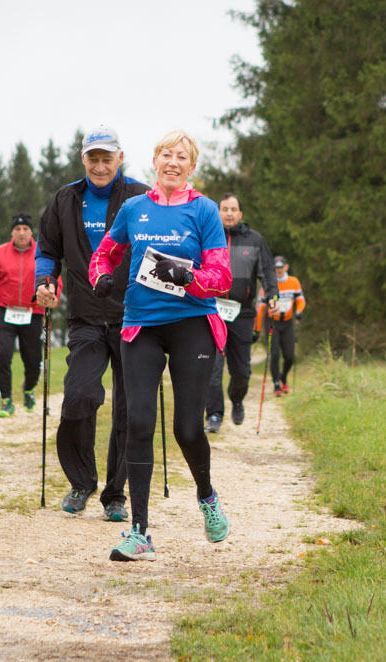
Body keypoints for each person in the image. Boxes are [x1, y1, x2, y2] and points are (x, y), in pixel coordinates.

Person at [89, 129, 233, 561]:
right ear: (155, 161)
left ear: (192, 166)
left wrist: (189, 278)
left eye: (182, 156)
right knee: (137, 422)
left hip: (192, 322)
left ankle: (206, 497)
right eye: (166, 154)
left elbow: (221, 278)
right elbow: (105, 253)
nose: (173, 162)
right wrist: (101, 276)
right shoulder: (134, 209)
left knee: (187, 428)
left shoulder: (205, 211)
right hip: (142, 325)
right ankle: (140, 531)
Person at [34, 123, 148, 522]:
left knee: (129, 408)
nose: (100, 166)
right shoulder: (66, 199)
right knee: (79, 396)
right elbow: (47, 249)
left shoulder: (139, 196)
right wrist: (44, 283)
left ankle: (116, 494)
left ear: (120, 158)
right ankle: (81, 482)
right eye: (93, 158)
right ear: (83, 159)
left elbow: (161, 244)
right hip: (85, 318)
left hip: (133, 317)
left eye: (107, 158)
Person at [202, 193, 278, 435]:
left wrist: (273, 295)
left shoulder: (255, 240)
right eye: (224, 209)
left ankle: (236, 399)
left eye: (234, 209)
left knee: (241, 372)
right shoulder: (209, 236)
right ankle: (214, 414)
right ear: (218, 212)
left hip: (242, 314)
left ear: (241, 213)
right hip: (211, 312)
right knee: (212, 368)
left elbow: (267, 273)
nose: (229, 213)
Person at [0, 212, 59, 417]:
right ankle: (6, 400)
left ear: (31, 231)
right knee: (3, 355)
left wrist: (52, 296)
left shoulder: (42, 251)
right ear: (12, 232)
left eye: (25, 229)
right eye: (17, 229)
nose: (21, 233)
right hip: (6, 311)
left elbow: (54, 279)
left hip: (34, 312)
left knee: (32, 358)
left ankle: (29, 389)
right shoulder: (0, 253)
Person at [256, 255, 306, 396]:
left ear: (286, 267)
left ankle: (283, 377)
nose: (279, 270)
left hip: (288, 322)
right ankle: (277, 384)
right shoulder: (268, 284)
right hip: (272, 322)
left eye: (281, 267)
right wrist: (257, 328)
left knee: (290, 356)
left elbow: (301, 300)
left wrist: (299, 311)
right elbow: (260, 308)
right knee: (275, 354)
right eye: (276, 268)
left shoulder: (293, 282)